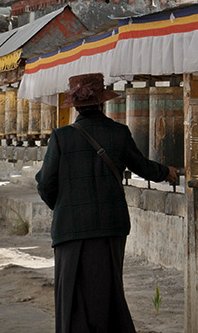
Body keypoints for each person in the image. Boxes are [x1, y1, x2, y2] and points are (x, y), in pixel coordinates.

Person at [35, 73, 179, 333]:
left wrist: (64, 206)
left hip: (71, 229)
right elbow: (142, 167)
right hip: (110, 227)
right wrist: (166, 172)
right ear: (102, 102)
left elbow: (45, 184)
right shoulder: (118, 133)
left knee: (72, 295)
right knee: (107, 289)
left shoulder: (61, 137)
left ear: (76, 105)